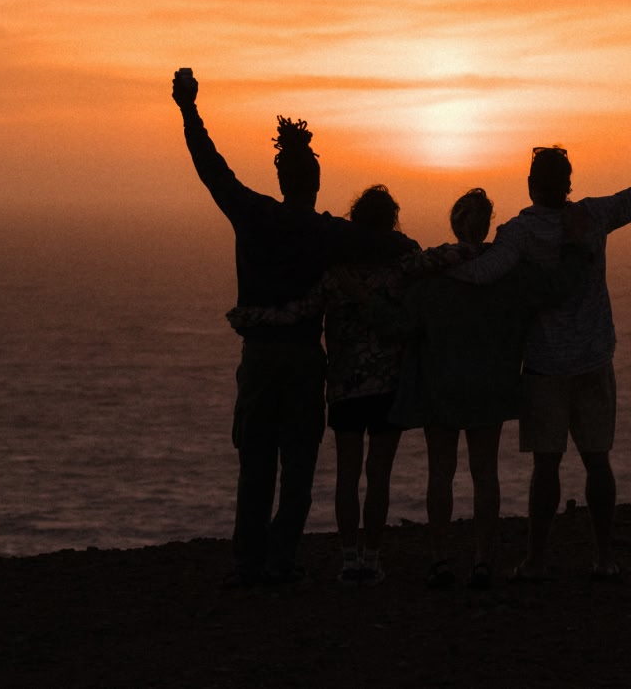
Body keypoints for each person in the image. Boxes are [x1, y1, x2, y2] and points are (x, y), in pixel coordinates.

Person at [445, 112, 631, 581]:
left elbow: (483, 274)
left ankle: (536, 561)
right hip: (593, 358)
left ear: (530, 185)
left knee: (546, 466)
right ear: (568, 184)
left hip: (545, 366)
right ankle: (604, 558)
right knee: (597, 461)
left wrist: (433, 264)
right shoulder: (592, 216)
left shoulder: (518, 233)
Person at [174, 68, 417, 588]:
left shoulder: (252, 214)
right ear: (316, 183)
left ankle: (248, 562)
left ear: (282, 180)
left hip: (260, 358)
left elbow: (211, 168)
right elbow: (391, 245)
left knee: (255, 463)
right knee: (298, 465)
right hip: (305, 359)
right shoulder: (326, 232)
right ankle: (282, 559)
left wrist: (189, 109)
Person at [226, 185, 473, 587]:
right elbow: (446, 256)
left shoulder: (335, 276)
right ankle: (372, 559)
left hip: (344, 389)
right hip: (387, 388)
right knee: (379, 476)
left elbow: (298, 312)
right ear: (391, 222)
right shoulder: (402, 267)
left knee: (347, 475)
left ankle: (348, 559)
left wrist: (252, 318)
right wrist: (486, 247)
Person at [392, 189, 593, 589]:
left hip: (440, 386)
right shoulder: (507, 274)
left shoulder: (431, 276)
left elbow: (399, 323)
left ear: (455, 223)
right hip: (490, 387)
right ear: (487, 226)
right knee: (485, 473)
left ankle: (439, 559)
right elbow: (556, 287)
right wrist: (576, 247)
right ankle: (483, 560)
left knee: (440, 472)